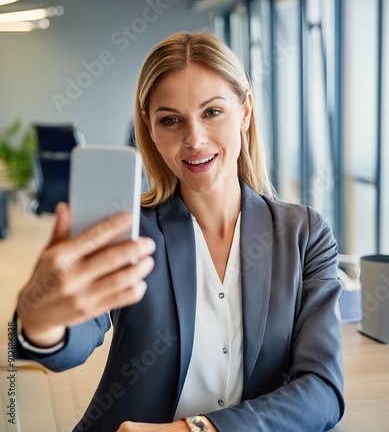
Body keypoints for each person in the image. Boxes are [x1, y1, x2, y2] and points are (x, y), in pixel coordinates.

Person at [15, 31, 344, 432]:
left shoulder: (304, 234)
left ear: (245, 112)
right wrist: (42, 324)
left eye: (212, 112)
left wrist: (194, 430)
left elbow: (322, 389)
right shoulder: (128, 229)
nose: (194, 139)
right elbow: (73, 341)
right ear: (150, 131)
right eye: (170, 120)